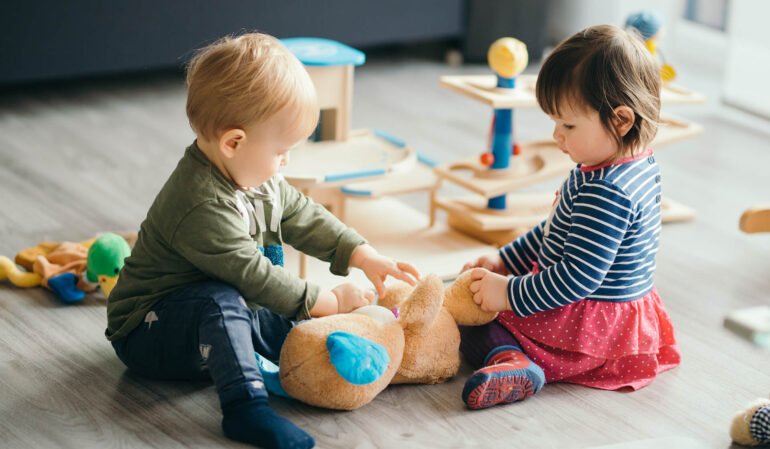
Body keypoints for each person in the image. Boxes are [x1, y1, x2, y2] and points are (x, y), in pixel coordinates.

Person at [105, 32, 419, 449]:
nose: (286, 161)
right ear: (234, 142)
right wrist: (326, 301)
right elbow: (253, 276)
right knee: (225, 301)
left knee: (282, 322)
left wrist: (361, 254)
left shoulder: (259, 177)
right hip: (149, 333)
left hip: (223, 312)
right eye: (282, 150)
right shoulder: (200, 203)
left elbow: (302, 214)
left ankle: (344, 360)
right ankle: (246, 408)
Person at [458, 24, 680, 410]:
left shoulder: (607, 190)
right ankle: (517, 356)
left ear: (621, 120)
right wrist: (506, 258)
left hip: (587, 328)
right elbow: (555, 229)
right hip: (615, 321)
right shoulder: (628, 165)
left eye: (569, 125)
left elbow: (577, 278)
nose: (557, 135)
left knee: (473, 321)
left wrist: (508, 293)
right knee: (480, 303)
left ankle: (515, 361)